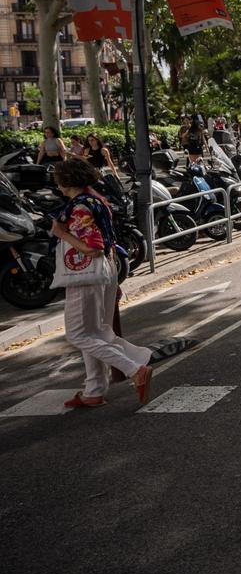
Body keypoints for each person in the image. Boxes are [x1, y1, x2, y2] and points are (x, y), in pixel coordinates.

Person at [52, 159, 153, 408]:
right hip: (106, 270)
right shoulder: (97, 199)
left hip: (86, 275)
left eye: (58, 180)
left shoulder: (80, 207)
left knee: (77, 334)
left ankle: (133, 368)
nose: (57, 185)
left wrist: (62, 234)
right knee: (95, 332)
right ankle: (94, 389)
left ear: (67, 181)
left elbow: (93, 248)